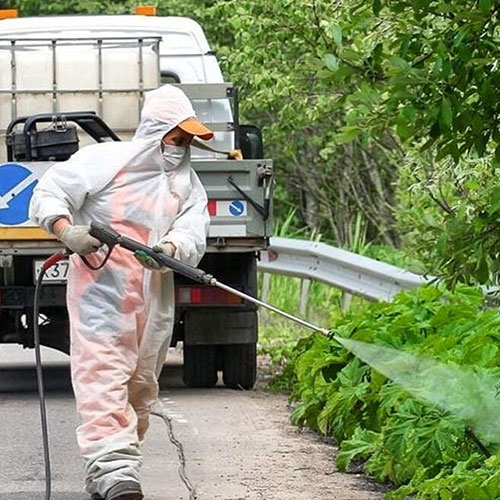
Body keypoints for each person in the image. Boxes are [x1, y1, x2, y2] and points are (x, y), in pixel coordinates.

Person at [29, 84, 213, 500]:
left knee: (141, 384)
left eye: (188, 142)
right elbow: (49, 194)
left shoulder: (186, 183)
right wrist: (68, 231)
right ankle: (115, 468)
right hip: (101, 288)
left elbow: (193, 229)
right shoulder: (104, 161)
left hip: (153, 293)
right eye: (177, 139)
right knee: (102, 374)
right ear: (156, 131)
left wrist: (169, 249)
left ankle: (109, 468)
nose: (181, 148)